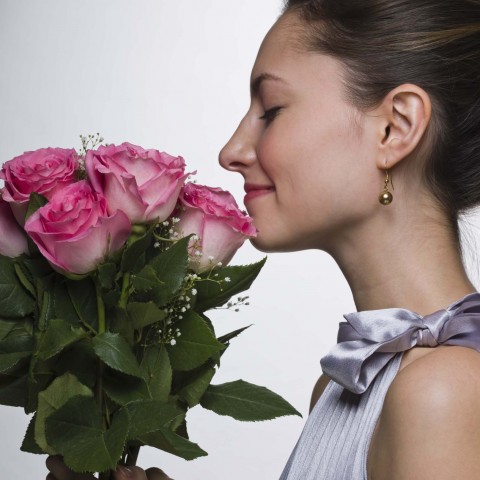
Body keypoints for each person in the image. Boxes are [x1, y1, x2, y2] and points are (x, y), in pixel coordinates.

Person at [46, 0, 480, 478]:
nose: (230, 151)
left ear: (395, 127)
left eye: (271, 110)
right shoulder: (348, 381)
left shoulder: (444, 392)